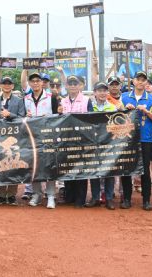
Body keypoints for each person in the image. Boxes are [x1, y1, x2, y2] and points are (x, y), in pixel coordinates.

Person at [121, 71, 152, 211]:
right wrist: (124, 109)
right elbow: (114, 115)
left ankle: (146, 200)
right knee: (126, 169)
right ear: (133, 81)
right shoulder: (124, 97)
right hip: (127, 139)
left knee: (145, 170)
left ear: (146, 83)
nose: (140, 82)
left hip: (146, 138)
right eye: (138, 79)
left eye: (143, 80)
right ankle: (126, 199)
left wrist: (147, 112)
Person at [24, 72, 61, 208]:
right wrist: (26, 116)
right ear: (29, 83)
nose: (35, 83)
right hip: (32, 136)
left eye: (37, 81)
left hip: (48, 136)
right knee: (35, 165)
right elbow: (22, 117)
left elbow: (59, 116)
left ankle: (50, 195)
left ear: (42, 83)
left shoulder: (51, 97)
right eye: (32, 81)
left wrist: (49, 117)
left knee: (50, 165)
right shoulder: (26, 98)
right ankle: (37, 194)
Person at [0, 76, 26, 205]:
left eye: (9, 83)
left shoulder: (19, 101)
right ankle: (0, 194)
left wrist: (9, 115)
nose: (6, 85)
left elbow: (22, 117)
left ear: (12, 86)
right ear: (0, 85)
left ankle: (11, 194)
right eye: (4, 83)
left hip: (14, 138)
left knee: (13, 165)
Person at [84, 82, 118, 209]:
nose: (102, 93)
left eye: (104, 90)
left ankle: (109, 198)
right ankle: (95, 198)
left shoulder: (113, 108)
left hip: (108, 144)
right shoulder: (89, 107)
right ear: (95, 93)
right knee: (94, 170)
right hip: (93, 143)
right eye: (99, 91)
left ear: (107, 92)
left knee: (109, 170)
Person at [60, 75, 93, 208]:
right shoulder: (62, 101)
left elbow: (91, 119)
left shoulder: (86, 100)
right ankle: (69, 197)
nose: (73, 86)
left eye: (75, 83)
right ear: (66, 86)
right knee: (67, 167)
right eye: (70, 83)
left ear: (80, 86)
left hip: (82, 140)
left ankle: (80, 198)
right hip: (66, 139)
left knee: (81, 169)